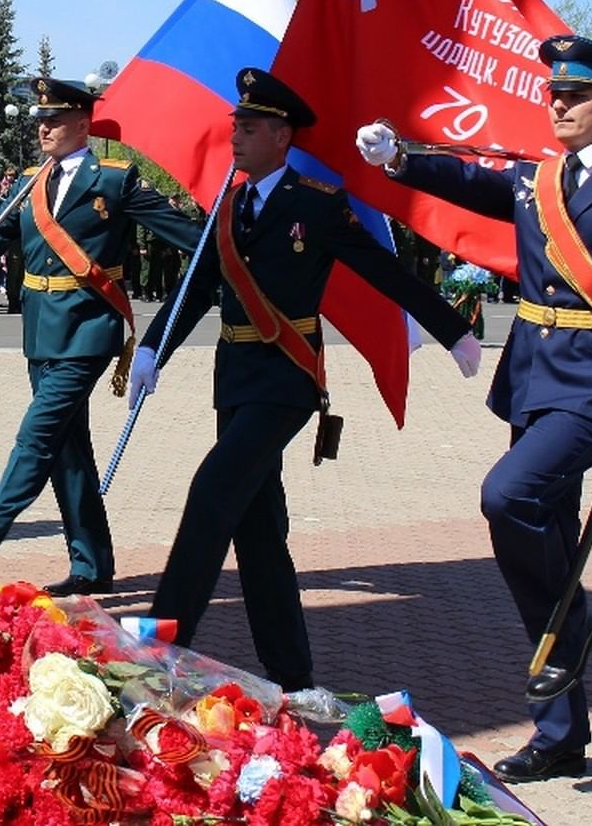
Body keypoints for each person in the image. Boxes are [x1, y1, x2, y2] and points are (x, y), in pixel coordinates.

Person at [355, 34, 592, 782]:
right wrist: (399, 159)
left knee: (505, 495)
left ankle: (570, 630)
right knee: (544, 536)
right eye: (554, 93)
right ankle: (560, 730)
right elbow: (467, 179)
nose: (559, 104)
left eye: (575, 95)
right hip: (534, 379)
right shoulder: (537, 179)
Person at [130, 68, 479, 693]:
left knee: (212, 491)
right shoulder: (228, 205)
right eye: (235, 124)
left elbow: (382, 269)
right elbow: (199, 287)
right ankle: (292, 676)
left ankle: (162, 639)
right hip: (234, 380)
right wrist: (153, 347)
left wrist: (452, 329)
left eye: (251, 126)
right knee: (257, 530)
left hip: (286, 379)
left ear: (282, 135)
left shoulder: (315, 204)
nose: (236, 135)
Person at [0, 78, 201, 594]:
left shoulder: (115, 179)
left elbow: (195, 245)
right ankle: (92, 566)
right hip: (40, 330)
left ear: (83, 122)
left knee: (37, 439)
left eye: (54, 118)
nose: (43, 127)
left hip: (88, 331)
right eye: (39, 119)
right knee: (68, 449)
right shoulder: (29, 182)